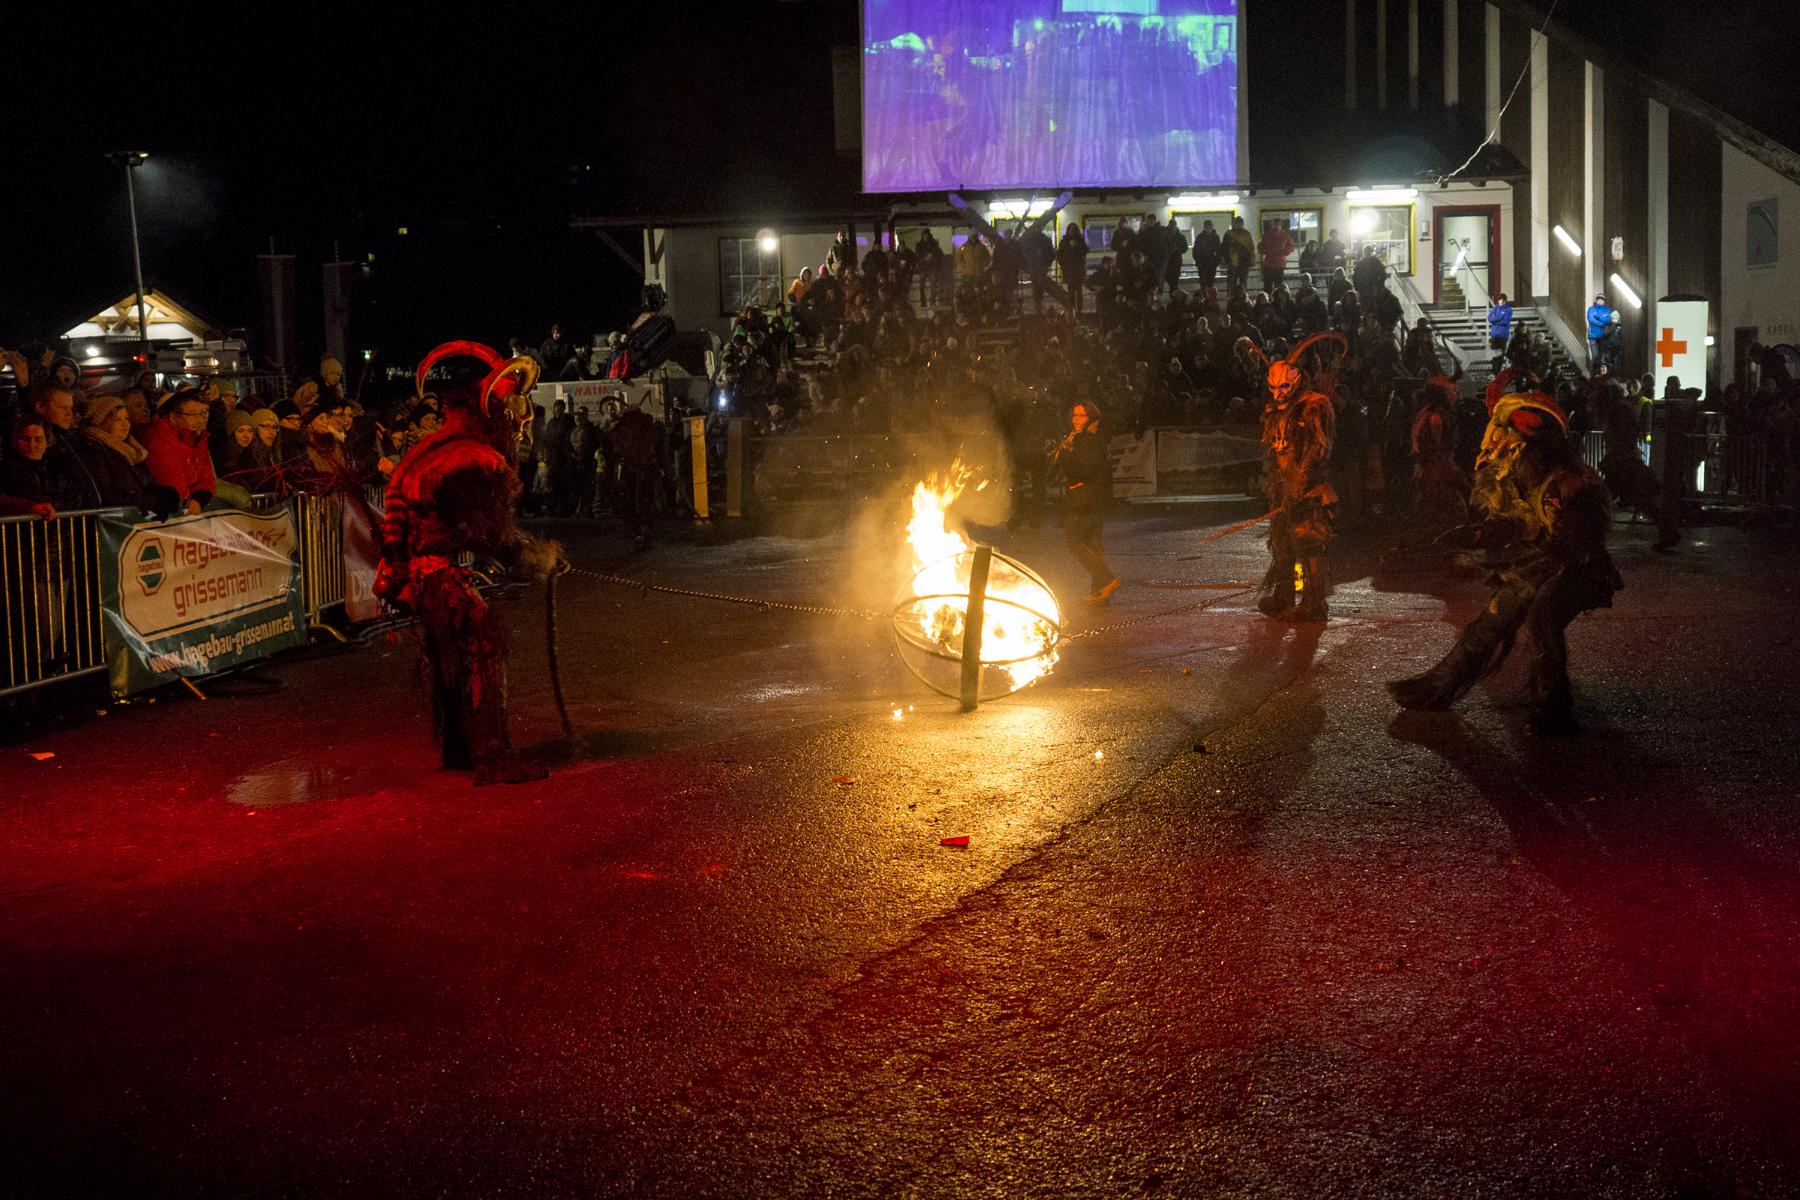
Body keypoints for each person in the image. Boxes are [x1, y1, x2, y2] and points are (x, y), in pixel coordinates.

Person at [374, 341, 563, 786]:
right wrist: (540, 559)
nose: (523, 423)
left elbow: (397, 526)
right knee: (483, 644)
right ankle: (491, 756)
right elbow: (493, 538)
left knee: (452, 655)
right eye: (517, 412)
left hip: (419, 577)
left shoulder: (427, 451)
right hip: (438, 574)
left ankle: (460, 747)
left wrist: (395, 575)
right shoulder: (475, 457)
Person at [1389, 386, 1621, 735]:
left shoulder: (1570, 481)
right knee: (1491, 622)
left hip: (1577, 569)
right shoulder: (1517, 472)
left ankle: (1555, 708)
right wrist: (1478, 534)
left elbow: (1579, 539)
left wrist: (1554, 553)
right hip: (1540, 564)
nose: (1499, 442)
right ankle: (1437, 688)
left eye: (1509, 433)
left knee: (1543, 616)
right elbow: (1517, 521)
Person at [1243, 332, 1344, 622]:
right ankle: (1284, 595)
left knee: (1308, 541)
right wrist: (1272, 480)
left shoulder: (1314, 407)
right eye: (1273, 388)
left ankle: (1314, 603)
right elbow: (1274, 451)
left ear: (1297, 381)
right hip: (1282, 486)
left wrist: (1301, 481)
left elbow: (1318, 449)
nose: (1278, 394)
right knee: (1281, 543)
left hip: (1308, 488)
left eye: (1284, 387)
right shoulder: (1276, 411)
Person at [1053, 400, 1118, 605]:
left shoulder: (1088, 440)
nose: (1077, 419)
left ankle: (1107, 580)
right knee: (1092, 544)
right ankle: (1100, 592)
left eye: (1082, 415)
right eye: (1074, 415)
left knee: (1074, 541)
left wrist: (1066, 453)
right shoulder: (1084, 438)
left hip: (1084, 498)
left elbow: (1081, 470)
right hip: (1094, 497)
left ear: (1091, 417)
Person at [76, 394, 171, 513]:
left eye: (127, 419)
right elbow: (105, 495)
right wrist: (147, 502)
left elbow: (146, 483)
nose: (124, 424)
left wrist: (162, 494)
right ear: (102, 422)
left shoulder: (132, 450)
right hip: (118, 519)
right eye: (117, 419)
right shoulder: (95, 451)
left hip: (138, 515)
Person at [1056, 224, 1089, 313]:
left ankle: (1079, 311)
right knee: (1071, 292)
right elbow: (1059, 255)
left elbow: (1085, 251)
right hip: (1070, 270)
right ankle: (1072, 310)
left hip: (1077, 270)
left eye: (1073, 230)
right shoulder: (1064, 242)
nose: (1072, 232)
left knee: (1078, 292)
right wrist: (1064, 265)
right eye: (1070, 230)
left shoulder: (1080, 241)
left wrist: (1077, 247)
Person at [1258, 220, 1295, 293]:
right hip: (1279, 263)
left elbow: (1260, 248)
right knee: (1277, 285)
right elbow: (1290, 247)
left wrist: (1268, 252)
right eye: (1276, 224)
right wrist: (1282, 252)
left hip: (1270, 263)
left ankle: (1268, 298)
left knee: (1268, 285)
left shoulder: (1266, 236)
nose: (1276, 226)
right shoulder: (1286, 236)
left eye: (1277, 224)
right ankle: (1276, 298)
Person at [1222, 215, 1255, 297]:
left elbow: (1251, 248)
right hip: (1232, 262)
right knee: (1232, 282)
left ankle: (1243, 298)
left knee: (1243, 282)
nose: (1238, 224)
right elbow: (1224, 248)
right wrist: (1227, 260)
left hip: (1244, 262)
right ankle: (1232, 299)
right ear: (1234, 223)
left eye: (1240, 223)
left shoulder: (1247, 234)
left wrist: (1251, 261)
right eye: (1237, 223)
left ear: (1242, 224)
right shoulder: (1229, 233)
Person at [1585, 294, 1615, 373]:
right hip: (1593, 336)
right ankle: (1592, 374)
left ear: (1604, 301)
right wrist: (1602, 323)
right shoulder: (1592, 309)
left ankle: (1601, 374)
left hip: (1603, 337)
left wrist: (1598, 317)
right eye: (1598, 300)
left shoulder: (1608, 310)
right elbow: (1591, 319)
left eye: (1601, 300)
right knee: (1595, 356)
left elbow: (1610, 320)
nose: (1600, 301)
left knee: (1602, 358)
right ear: (1596, 301)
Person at [1192, 218, 1222, 291]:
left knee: (1207, 282)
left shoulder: (1201, 237)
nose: (1208, 228)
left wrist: (1216, 262)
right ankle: (1207, 296)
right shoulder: (1214, 237)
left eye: (1209, 226)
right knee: (1206, 283)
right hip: (1206, 263)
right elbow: (1219, 251)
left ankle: (1206, 295)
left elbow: (1219, 251)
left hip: (1208, 263)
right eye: (1207, 226)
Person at [1487, 293, 1513, 373]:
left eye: (1500, 300)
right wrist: (1499, 318)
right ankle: (1494, 371)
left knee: (1501, 354)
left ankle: (1498, 371)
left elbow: (1505, 321)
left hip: (1503, 335)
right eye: (1498, 300)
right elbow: (1489, 318)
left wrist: (1495, 321)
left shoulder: (1509, 310)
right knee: (1494, 354)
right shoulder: (1495, 308)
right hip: (1494, 335)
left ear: (1504, 300)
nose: (1498, 301)